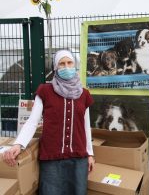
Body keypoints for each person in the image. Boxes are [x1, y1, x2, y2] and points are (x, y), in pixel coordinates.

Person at [3, 50, 95, 195]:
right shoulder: (45, 91)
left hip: (78, 158)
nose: (66, 67)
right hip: (51, 157)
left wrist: (90, 154)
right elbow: (32, 121)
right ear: (55, 68)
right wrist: (18, 144)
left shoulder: (84, 94)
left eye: (69, 63)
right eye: (61, 64)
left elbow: (85, 126)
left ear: (74, 65)